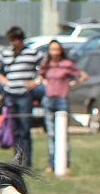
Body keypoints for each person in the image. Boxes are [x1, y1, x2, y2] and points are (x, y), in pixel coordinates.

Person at [0, 26, 43, 167]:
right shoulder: (6, 53)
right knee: (13, 128)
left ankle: (26, 161)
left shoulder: (32, 53)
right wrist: (1, 77)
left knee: (24, 129)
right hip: (10, 94)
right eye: (10, 40)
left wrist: (36, 81)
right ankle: (16, 159)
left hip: (24, 95)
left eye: (14, 40)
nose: (12, 43)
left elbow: (46, 66)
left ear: (20, 39)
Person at [37, 40, 87, 174]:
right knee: (51, 134)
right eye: (52, 49)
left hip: (62, 99)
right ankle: (51, 164)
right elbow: (40, 75)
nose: (55, 52)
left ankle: (66, 163)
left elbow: (83, 76)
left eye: (57, 49)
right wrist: (45, 82)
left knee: (63, 134)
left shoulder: (67, 64)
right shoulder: (46, 64)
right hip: (49, 99)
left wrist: (72, 83)